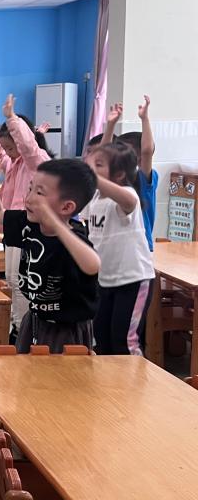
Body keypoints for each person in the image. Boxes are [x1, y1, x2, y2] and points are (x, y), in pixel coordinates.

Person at [0, 157, 100, 352]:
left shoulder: (74, 238)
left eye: (39, 193)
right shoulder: (29, 223)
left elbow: (92, 265)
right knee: (25, 367)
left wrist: (54, 223)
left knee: (59, 372)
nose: (29, 198)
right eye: (30, 188)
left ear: (66, 207)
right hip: (35, 319)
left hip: (66, 329)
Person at [0, 94, 52, 341]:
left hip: (28, 225)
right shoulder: (15, 163)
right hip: (13, 223)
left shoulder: (36, 161)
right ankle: (17, 326)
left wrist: (11, 118)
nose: (8, 153)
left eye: (11, 148)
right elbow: (1, 158)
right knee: (12, 278)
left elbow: (27, 145)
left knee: (23, 281)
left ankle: (24, 329)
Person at [84, 142, 155, 355]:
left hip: (133, 280)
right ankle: (108, 378)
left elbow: (129, 201)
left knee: (125, 342)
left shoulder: (127, 194)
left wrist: (91, 175)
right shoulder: (95, 198)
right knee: (102, 338)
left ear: (120, 174)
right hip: (105, 280)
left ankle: (133, 377)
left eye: (99, 165)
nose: (92, 168)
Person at [102, 96, 157, 250]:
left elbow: (147, 151)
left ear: (138, 158)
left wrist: (144, 119)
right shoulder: (112, 178)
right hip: (115, 247)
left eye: (124, 152)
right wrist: (110, 126)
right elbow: (103, 155)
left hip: (139, 248)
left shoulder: (141, 178)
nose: (117, 155)